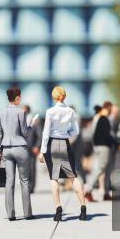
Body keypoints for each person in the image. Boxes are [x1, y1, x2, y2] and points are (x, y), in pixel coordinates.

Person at [39, 86, 88, 221]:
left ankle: (58, 209)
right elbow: (75, 131)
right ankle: (83, 208)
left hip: (53, 144)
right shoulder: (71, 111)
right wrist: (66, 133)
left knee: (54, 178)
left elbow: (46, 133)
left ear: (54, 97)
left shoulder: (50, 112)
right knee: (73, 176)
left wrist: (42, 151)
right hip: (65, 143)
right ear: (64, 97)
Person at [0, 88, 39, 220]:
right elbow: (25, 133)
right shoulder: (21, 112)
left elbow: (0, 133)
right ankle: (27, 213)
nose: (20, 99)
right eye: (19, 97)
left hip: (6, 148)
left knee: (9, 182)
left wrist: (0, 150)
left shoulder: (1, 112)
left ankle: (10, 214)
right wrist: (31, 125)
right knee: (25, 181)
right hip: (20, 147)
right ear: (16, 98)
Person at [84, 102, 118, 202]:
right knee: (101, 168)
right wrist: (117, 142)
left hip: (98, 146)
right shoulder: (104, 119)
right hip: (104, 147)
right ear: (109, 108)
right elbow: (107, 135)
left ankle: (106, 193)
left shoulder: (98, 118)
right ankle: (88, 189)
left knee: (107, 169)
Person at [22, 105, 42, 193]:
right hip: (23, 148)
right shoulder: (21, 121)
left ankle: (31, 187)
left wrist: (37, 146)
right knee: (24, 169)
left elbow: (39, 135)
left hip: (32, 149)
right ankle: (26, 186)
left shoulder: (34, 121)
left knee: (31, 168)